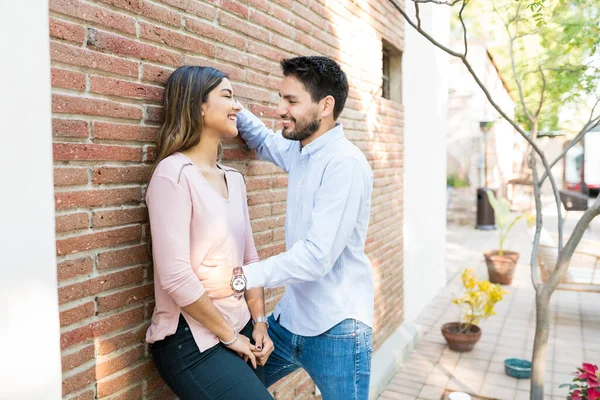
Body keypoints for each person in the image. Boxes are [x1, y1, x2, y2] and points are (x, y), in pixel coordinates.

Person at [199, 56, 375, 400]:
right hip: (290, 322)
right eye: (282, 98)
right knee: (229, 391)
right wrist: (232, 106)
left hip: (338, 329)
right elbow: (264, 141)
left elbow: (316, 257)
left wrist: (242, 277)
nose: (280, 109)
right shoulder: (301, 150)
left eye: (292, 101)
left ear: (326, 106)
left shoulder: (345, 165)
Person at [145, 65, 274, 400]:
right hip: (191, 339)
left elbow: (250, 259)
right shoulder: (172, 175)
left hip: (240, 324)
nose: (237, 107)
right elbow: (174, 275)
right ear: (198, 106)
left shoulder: (234, 179)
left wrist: (259, 322)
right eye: (227, 96)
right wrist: (230, 336)